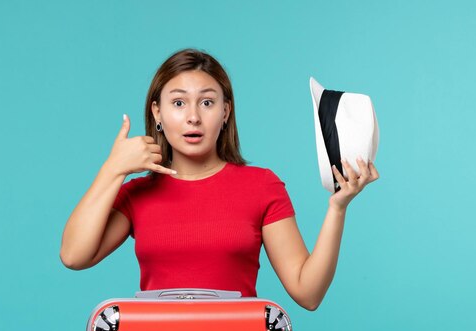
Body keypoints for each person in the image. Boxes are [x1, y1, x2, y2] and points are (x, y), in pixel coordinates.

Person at [60, 48, 379, 311]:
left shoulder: (262, 186)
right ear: (157, 113)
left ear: (225, 112)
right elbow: (73, 256)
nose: (193, 116)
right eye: (179, 102)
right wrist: (112, 169)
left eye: (208, 102)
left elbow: (307, 292)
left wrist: (338, 209)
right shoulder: (138, 193)